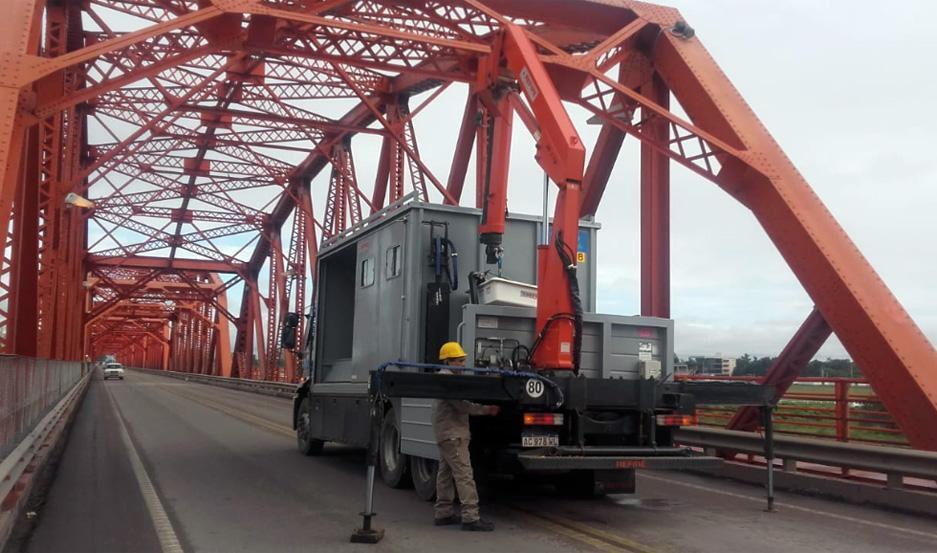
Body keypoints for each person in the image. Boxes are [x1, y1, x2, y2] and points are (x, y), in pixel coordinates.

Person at [433, 341, 499, 532]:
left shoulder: (443, 378)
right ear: (448, 361)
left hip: (446, 434)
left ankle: (443, 513)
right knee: (464, 475)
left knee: (445, 475)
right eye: (459, 361)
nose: (463, 364)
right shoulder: (448, 381)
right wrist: (487, 409)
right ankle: (471, 518)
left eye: (463, 361)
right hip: (453, 436)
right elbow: (462, 406)